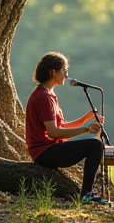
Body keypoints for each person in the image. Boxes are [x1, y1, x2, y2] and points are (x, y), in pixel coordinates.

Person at [25, 51, 107, 203]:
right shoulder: (42, 97)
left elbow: (61, 127)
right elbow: (54, 133)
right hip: (44, 152)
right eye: (64, 70)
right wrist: (86, 130)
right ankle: (86, 194)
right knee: (95, 145)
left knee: (95, 144)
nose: (66, 75)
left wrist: (85, 119)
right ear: (52, 72)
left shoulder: (48, 94)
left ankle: (87, 193)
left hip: (49, 149)